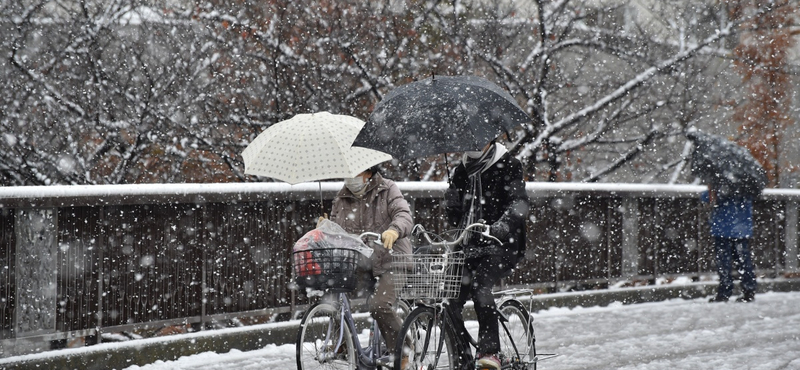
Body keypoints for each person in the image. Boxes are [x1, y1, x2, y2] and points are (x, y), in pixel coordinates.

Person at [445, 140, 530, 370]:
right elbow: (456, 217)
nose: (473, 146)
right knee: (449, 298)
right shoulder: (461, 171)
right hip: (469, 244)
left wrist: (499, 227)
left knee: (481, 287)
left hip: (501, 244)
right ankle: (463, 360)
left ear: (490, 141)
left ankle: (490, 352)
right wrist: (451, 201)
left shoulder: (509, 165)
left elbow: (518, 203)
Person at [319, 165, 413, 362]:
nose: (349, 178)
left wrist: (394, 230)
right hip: (362, 261)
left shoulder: (387, 189)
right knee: (334, 292)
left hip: (392, 259)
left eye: (355, 173)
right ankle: (342, 344)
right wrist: (325, 228)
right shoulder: (342, 198)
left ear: (368, 172)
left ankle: (403, 349)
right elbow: (339, 233)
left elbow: (404, 214)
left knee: (379, 305)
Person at [702, 185, 757, 303]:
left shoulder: (721, 184)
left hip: (722, 229)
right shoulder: (746, 184)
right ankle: (749, 290)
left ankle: (724, 291)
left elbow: (707, 198)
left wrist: (711, 190)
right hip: (741, 229)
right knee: (743, 261)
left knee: (723, 263)